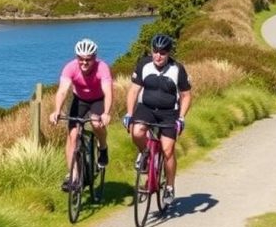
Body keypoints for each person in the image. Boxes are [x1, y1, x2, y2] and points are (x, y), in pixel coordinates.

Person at [123, 33, 192, 206]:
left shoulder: (178, 69)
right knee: (137, 132)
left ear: (168, 53)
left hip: (169, 112)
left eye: (162, 52)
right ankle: (144, 154)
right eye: (155, 51)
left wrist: (181, 118)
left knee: (168, 150)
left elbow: (186, 95)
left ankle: (169, 186)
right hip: (146, 109)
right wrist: (129, 113)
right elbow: (133, 91)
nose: (158, 56)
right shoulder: (144, 65)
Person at [49, 37, 114, 192]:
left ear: (94, 58)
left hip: (98, 99)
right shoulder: (70, 68)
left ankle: (103, 147)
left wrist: (106, 112)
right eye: (81, 59)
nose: (84, 63)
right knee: (72, 136)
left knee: (96, 123)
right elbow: (63, 90)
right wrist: (57, 110)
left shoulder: (102, 68)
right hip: (80, 100)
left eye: (88, 59)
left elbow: (108, 92)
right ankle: (74, 177)